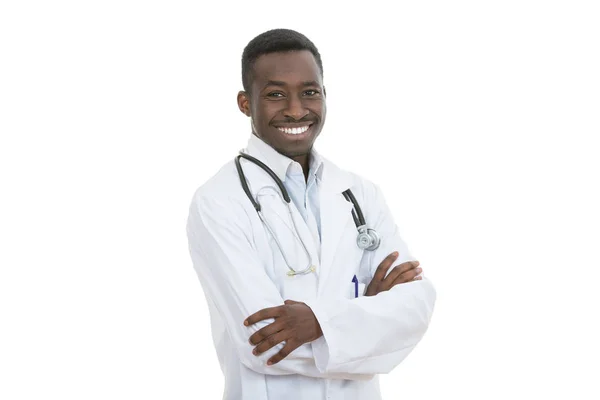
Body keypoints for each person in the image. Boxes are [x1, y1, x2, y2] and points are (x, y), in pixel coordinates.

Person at [186, 28, 436, 400]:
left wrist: (316, 322)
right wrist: (367, 318)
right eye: (275, 94)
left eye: (309, 92)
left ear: (324, 95)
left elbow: (416, 306)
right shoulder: (218, 202)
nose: (296, 109)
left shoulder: (360, 193)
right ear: (244, 103)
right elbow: (266, 343)